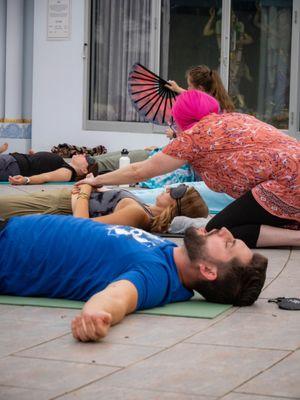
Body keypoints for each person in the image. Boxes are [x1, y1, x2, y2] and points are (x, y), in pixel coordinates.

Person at [76, 90, 300, 249]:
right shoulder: (236, 118)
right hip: (291, 173)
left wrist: (96, 180)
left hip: (289, 181)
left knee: (217, 230)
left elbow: (139, 172)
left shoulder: (195, 137)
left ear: (182, 118)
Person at [0, 214, 268, 342]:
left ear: (208, 271)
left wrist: (97, 313)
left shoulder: (157, 276)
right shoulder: (169, 253)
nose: (223, 230)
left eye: (228, 243)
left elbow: (120, 295)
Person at [0, 183, 208, 233]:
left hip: (54, 207)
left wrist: (86, 190)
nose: (170, 188)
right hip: (58, 200)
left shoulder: (137, 215)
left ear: (178, 205)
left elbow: (80, 226)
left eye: (178, 191)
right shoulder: (144, 208)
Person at [0, 148, 98, 184]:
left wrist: (26, 180)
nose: (84, 154)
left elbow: (46, 177)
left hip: (11, 166)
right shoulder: (63, 164)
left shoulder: (68, 172)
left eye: (87, 158)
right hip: (12, 161)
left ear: (84, 170)